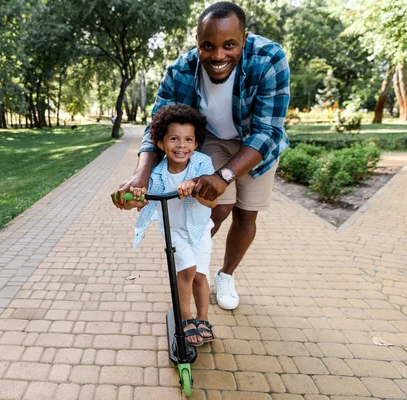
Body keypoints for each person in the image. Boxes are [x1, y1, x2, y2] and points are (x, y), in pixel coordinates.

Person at [112, 1, 290, 311]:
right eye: (208, 46)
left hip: (255, 144)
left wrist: (224, 176)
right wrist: (141, 176)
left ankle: (225, 275)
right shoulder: (180, 70)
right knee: (212, 209)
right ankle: (193, 268)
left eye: (229, 45)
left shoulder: (269, 59)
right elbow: (158, 127)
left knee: (246, 214)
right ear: (198, 42)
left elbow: (267, 131)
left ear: (244, 39)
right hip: (214, 141)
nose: (218, 55)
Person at [123, 104, 218, 346]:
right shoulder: (155, 173)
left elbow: (212, 198)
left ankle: (202, 318)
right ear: (160, 143)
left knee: (200, 274)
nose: (181, 145)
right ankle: (185, 318)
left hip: (199, 229)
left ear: (196, 144)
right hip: (173, 229)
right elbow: (141, 202)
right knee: (187, 270)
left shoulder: (202, 163)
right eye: (174, 139)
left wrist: (195, 185)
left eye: (188, 139)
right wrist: (132, 200)